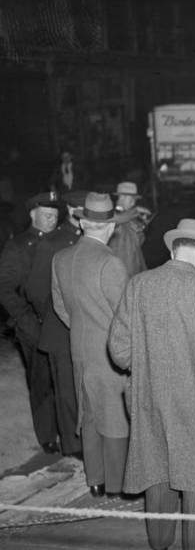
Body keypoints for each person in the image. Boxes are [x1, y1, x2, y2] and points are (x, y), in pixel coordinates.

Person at [109, 219, 195, 550]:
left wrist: (149, 365)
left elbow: (119, 350)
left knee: (157, 465)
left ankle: (159, 541)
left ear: (172, 249)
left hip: (148, 395)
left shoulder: (139, 285)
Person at [51, 192, 129, 496]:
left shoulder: (61, 258)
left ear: (83, 224)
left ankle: (94, 479)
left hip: (79, 349)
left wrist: (84, 329)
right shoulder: (110, 263)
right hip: (108, 353)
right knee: (114, 416)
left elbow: (61, 307)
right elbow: (124, 314)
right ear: (110, 227)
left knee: (89, 414)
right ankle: (117, 484)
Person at [0, 192, 63, 452]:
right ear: (32, 214)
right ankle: (47, 435)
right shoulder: (17, 247)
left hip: (61, 323)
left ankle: (68, 431)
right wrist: (25, 322)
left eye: (56, 215)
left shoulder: (64, 242)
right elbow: (4, 289)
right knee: (41, 382)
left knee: (64, 381)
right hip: (32, 325)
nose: (51, 219)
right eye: (46, 214)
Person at [25, 194, 83, 457]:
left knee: (85, 388)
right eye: (78, 207)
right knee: (67, 390)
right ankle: (73, 446)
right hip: (60, 328)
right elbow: (36, 290)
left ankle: (86, 440)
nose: (82, 213)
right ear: (69, 208)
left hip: (86, 328)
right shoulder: (51, 243)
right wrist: (55, 314)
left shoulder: (89, 239)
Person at [109, 181, 149, 277]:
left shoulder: (131, 218)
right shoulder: (113, 216)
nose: (133, 202)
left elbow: (137, 243)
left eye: (134, 199)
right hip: (120, 272)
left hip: (134, 270)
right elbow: (116, 222)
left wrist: (141, 228)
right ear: (121, 197)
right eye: (131, 198)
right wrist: (135, 212)